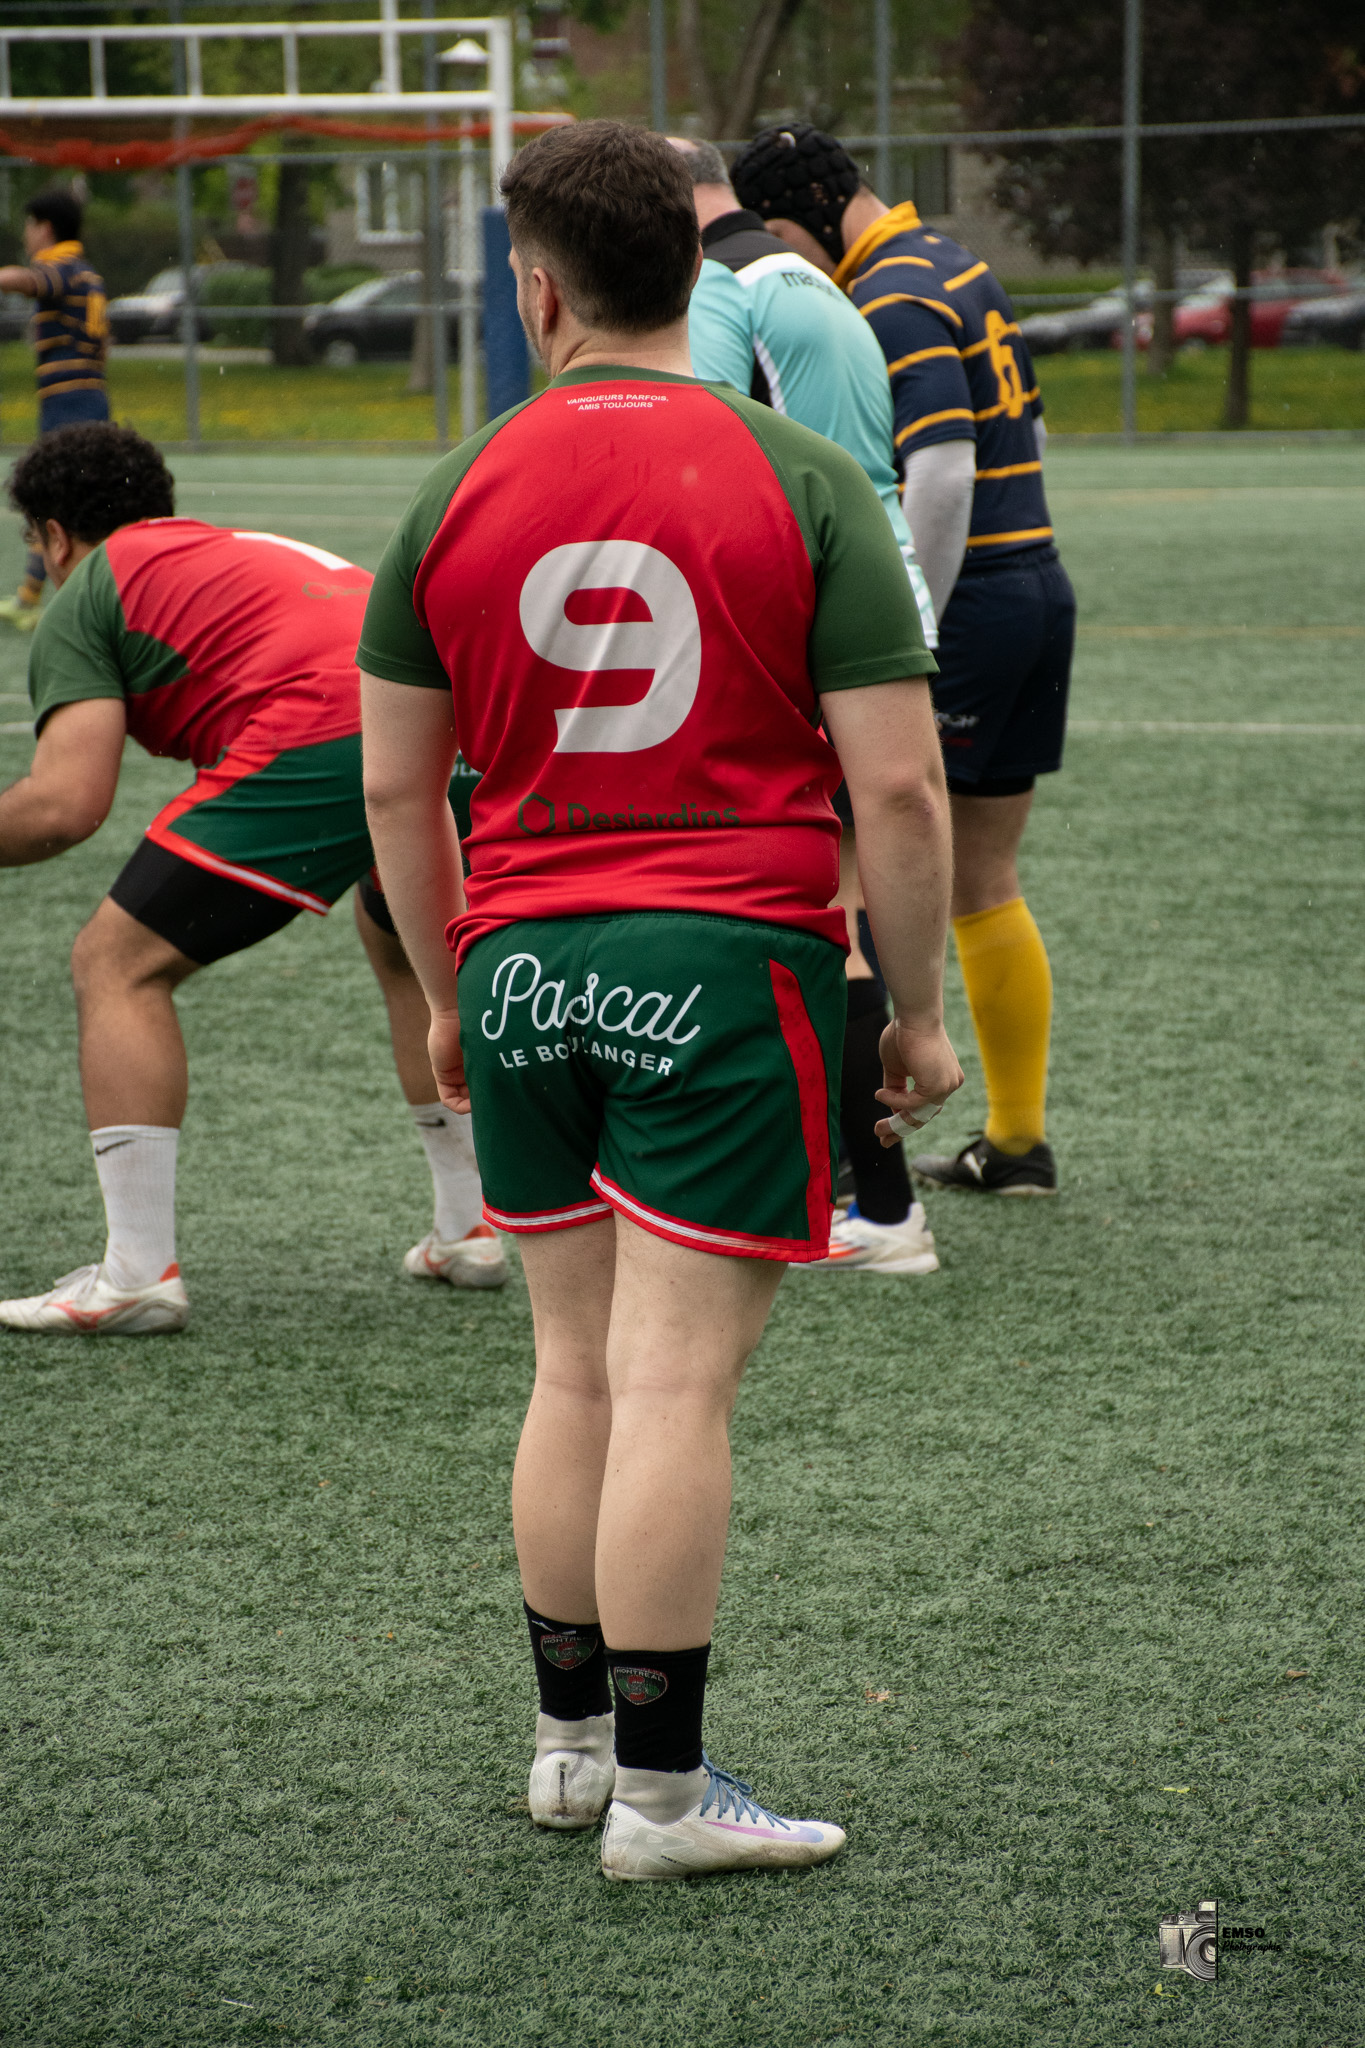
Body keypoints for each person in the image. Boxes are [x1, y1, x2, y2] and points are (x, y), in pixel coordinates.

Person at [357, 119, 961, 1882]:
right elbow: (904, 793)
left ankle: (566, 1752)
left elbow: (401, 792)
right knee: (676, 1384)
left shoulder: (450, 485)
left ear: (536, 285)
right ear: (696, 271)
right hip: (724, 954)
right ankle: (668, 1801)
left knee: (569, 1367)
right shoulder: (801, 475)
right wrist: (913, 1016)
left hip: (525, 953)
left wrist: (460, 976)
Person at [0, 423, 505, 1336]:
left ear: (54, 537)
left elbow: (61, 807)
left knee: (114, 964)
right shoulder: (227, 549)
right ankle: (469, 1223)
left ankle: (135, 1274)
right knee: (404, 949)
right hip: (450, 724)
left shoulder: (93, 585)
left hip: (326, 731)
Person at [733, 125, 1075, 1197]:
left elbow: (939, 473)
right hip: (1034, 586)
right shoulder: (959, 263)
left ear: (805, 214)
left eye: (778, 236)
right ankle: (1016, 1141)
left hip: (966, 605)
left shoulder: (885, 291)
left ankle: (860, 1174)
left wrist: (903, 632)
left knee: (872, 869)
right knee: (981, 875)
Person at [670, 135, 939, 1276]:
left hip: (817, 602)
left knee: (817, 904)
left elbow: (704, 444)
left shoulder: (719, 287)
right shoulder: (809, 277)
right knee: (844, 895)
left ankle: (878, 1202)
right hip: (878, 590)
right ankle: (864, 1193)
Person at [0, 188, 111, 631]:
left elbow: (28, 281)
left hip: (69, 403)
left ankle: (73, 604)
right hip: (88, 396)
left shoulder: (60, 267)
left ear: (44, 228)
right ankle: (32, 595)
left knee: (58, 499)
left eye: (29, 226)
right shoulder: (88, 273)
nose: (27, 236)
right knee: (62, 499)